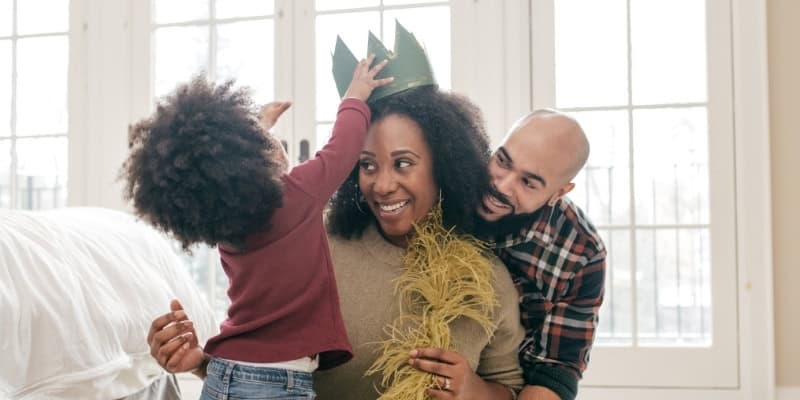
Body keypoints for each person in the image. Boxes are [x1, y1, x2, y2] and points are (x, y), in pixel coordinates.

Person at [147, 86, 526, 400]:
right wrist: (198, 361)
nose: (381, 184)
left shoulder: (484, 279)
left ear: (444, 166)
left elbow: (510, 387)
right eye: (367, 164)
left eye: (403, 163)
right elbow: (263, 365)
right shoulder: (310, 243)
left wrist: (474, 391)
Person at [122, 55, 393, 399]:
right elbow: (342, 148)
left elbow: (220, 162)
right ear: (262, 157)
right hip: (276, 383)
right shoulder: (296, 195)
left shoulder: (226, 225)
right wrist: (355, 97)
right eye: (268, 139)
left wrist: (255, 126)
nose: (278, 144)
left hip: (223, 373)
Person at [475, 110, 607, 400]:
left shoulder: (582, 253)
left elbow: (553, 373)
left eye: (528, 183)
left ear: (558, 192)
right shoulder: (451, 177)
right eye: (502, 161)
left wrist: (476, 392)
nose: (501, 185)